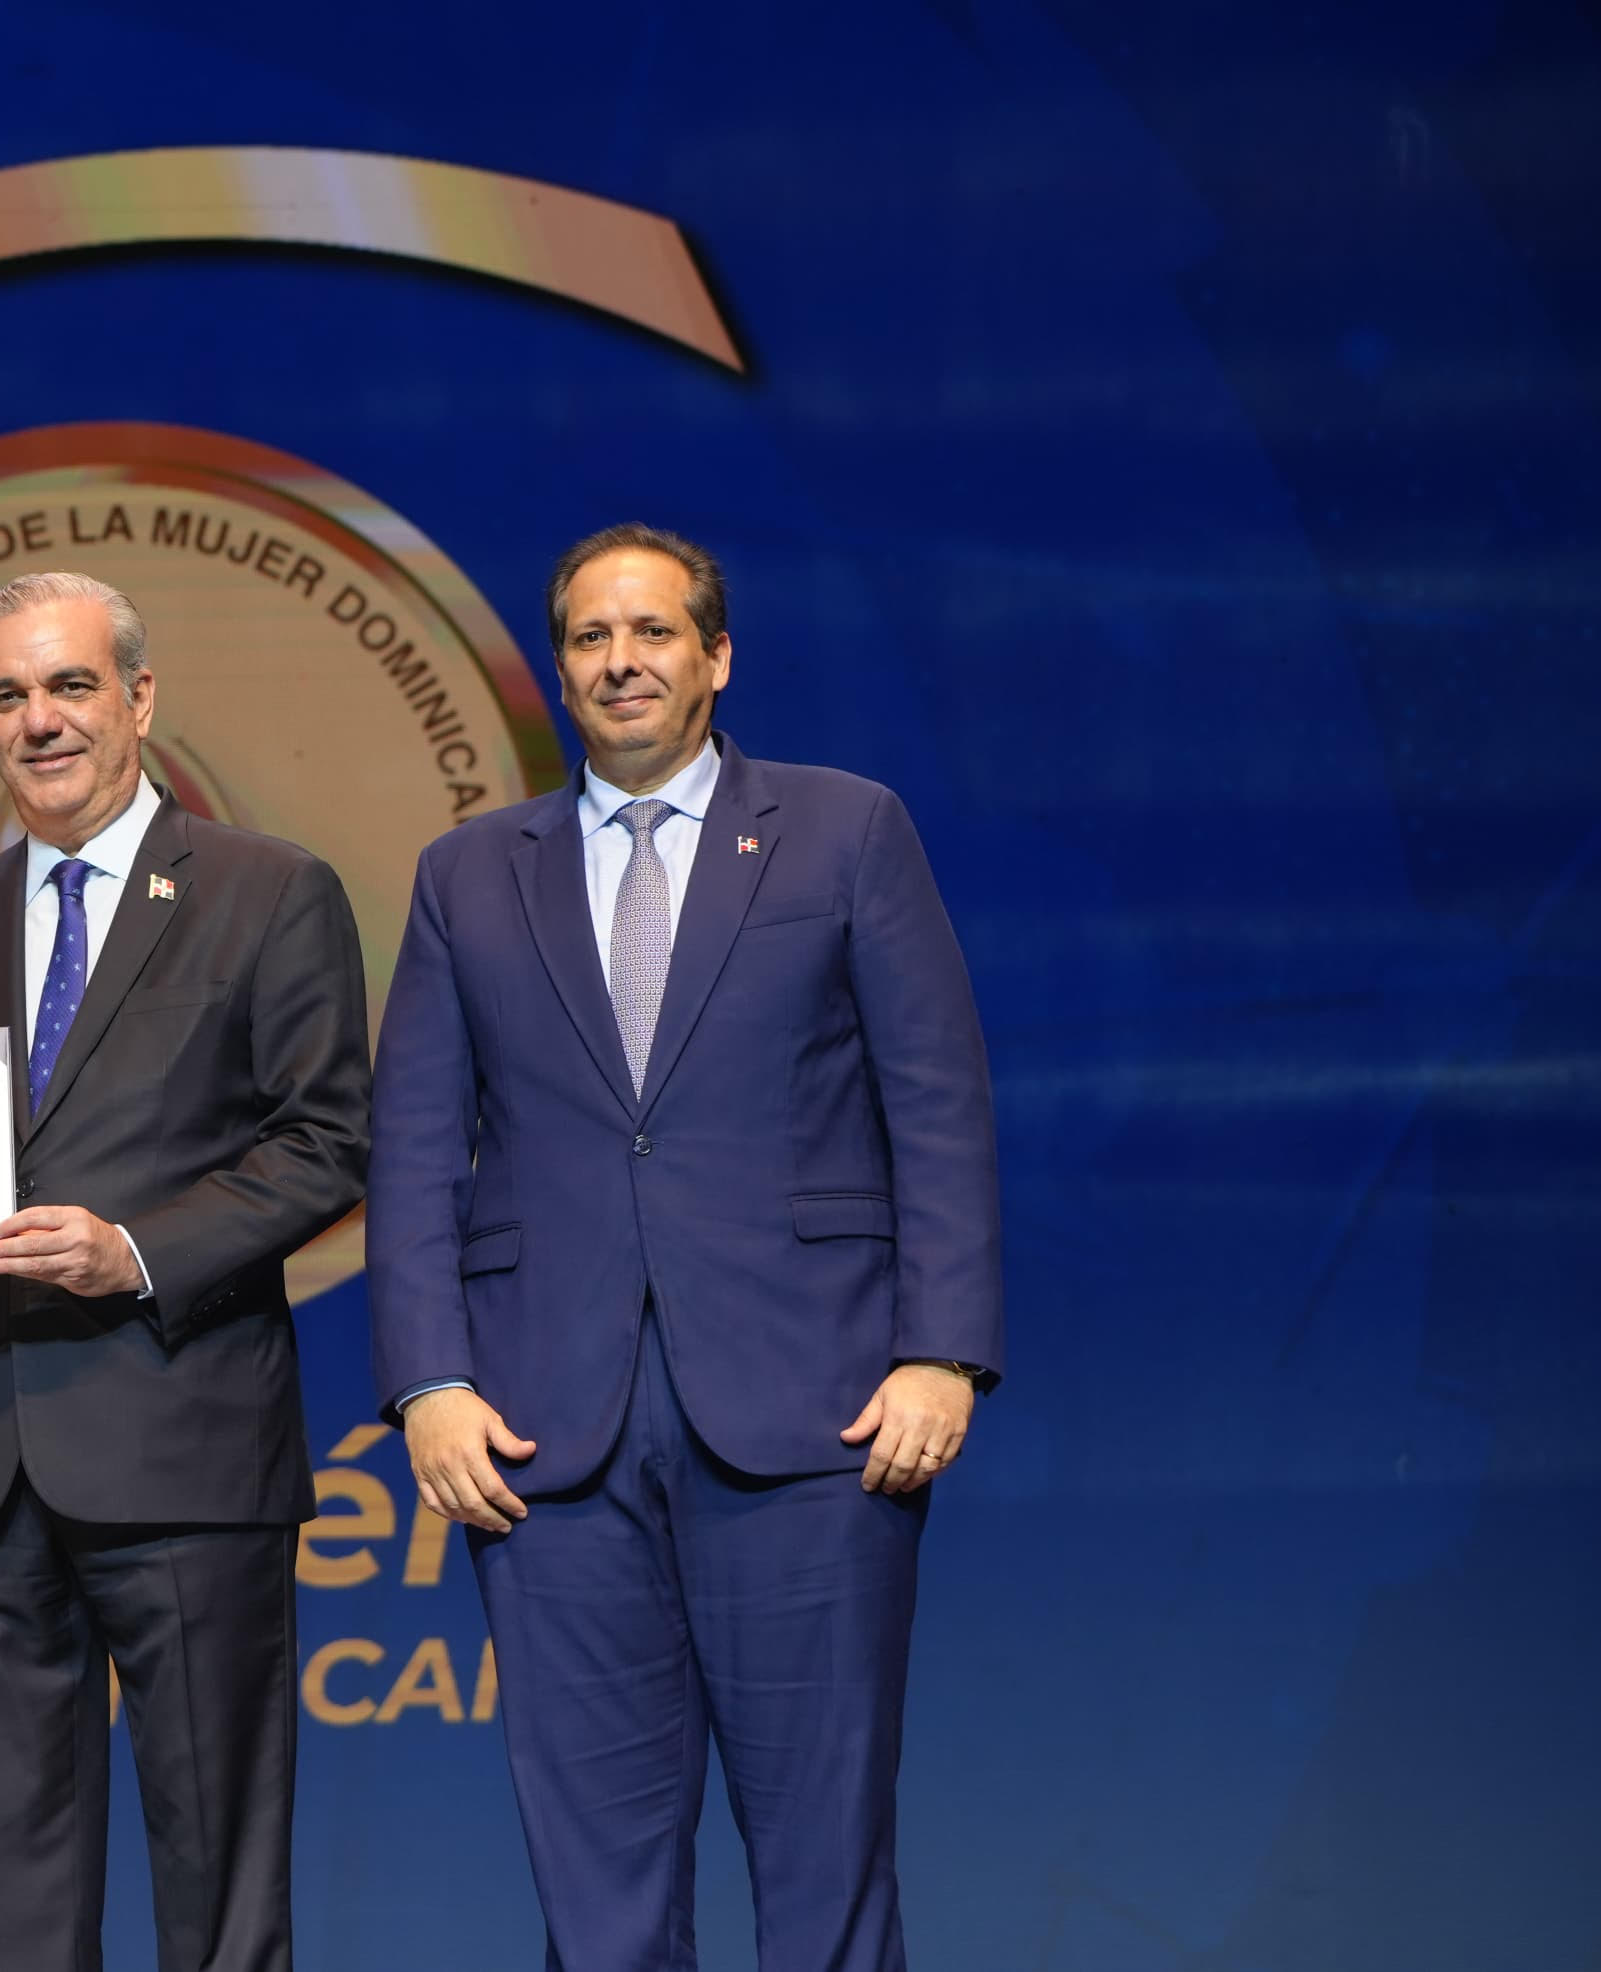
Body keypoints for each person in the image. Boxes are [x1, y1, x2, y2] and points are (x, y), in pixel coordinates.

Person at [368, 525, 1001, 1970]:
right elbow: (409, 1149)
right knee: (598, 1897)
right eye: (591, 638)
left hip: (818, 1417)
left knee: (827, 1870)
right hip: (545, 1440)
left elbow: (939, 1104)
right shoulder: (470, 873)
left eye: (653, 633)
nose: (621, 661)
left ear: (718, 658)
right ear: (558, 670)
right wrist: (427, 1384)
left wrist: (943, 1351)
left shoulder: (846, 831)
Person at [0, 573, 372, 1972]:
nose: (40, 721)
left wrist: (136, 1251)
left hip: (183, 1442)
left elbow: (330, 1142)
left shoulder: (271, 893)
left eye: (71, 686)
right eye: (9, 696)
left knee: (219, 1885)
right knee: (17, 1890)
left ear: (140, 699)